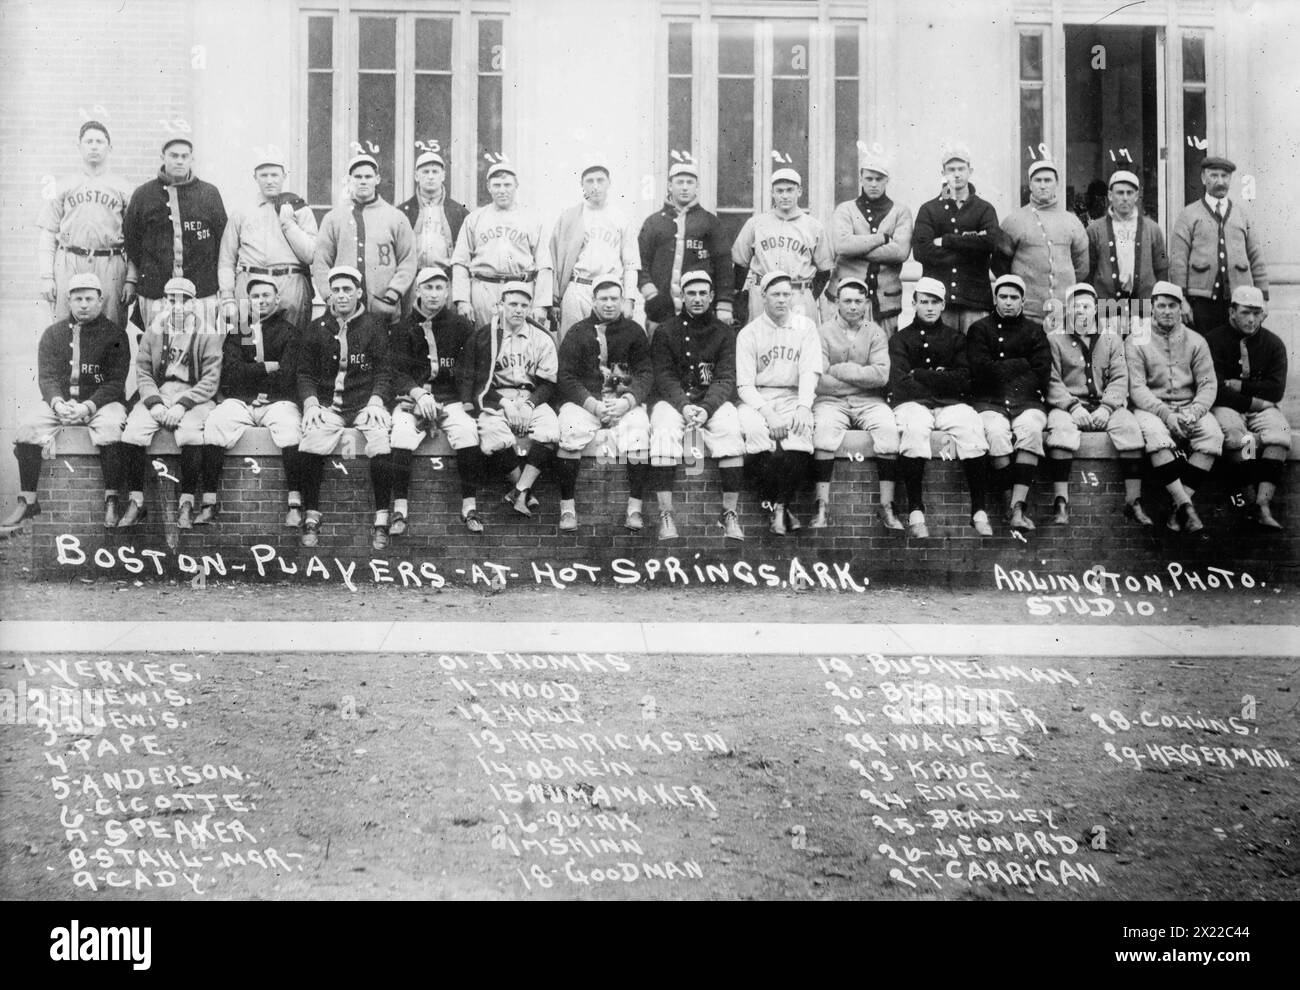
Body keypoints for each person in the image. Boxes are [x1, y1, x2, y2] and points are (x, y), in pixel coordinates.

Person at [0, 274, 129, 532]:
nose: (83, 304)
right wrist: (57, 403)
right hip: (62, 404)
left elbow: (116, 382)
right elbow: (46, 377)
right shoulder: (52, 334)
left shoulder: (115, 334)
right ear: (68, 301)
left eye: (89, 298)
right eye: (77, 298)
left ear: (101, 300)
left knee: (113, 427)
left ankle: (112, 498)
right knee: (28, 426)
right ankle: (29, 499)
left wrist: (87, 407)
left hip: (101, 404)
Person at [296, 265, 394, 549]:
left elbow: (384, 372)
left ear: (359, 292)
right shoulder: (316, 329)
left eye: (347, 290)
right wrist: (311, 403)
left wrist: (377, 400)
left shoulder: (374, 327)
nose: (341, 296)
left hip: (364, 405)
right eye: (336, 290)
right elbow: (304, 373)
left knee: (380, 440)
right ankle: (312, 516)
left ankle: (381, 519)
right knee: (311, 437)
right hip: (330, 406)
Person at [887, 277, 993, 538]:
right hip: (913, 404)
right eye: (924, 302)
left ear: (943, 305)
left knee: (971, 425)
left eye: (935, 302)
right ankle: (915, 510)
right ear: (914, 303)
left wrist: (920, 374)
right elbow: (900, 385)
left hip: (950, 404)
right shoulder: (900, 339)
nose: (930, 307)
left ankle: (979, 510)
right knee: (913, 429)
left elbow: (964, 382)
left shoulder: (956, 339)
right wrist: (942, 377)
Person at [116, 277, 222, 529]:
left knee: (191, 434)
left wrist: (182, 405)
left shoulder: (207, 331)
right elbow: (142, 371)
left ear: (193, 303)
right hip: (161, 392)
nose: (177, 306)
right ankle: (136, 500)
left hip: (195, 396)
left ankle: (186, 501)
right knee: (132, 432)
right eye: (171, 300)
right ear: (164, 301)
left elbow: (210, 379)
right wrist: (154, 404)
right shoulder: (154, 329)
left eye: (184, 300)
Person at [198, 275, 303, 527]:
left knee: (291, 428)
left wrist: (258, 380)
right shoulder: (239, 332)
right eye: (255, 296)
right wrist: (265, 369)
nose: (261, 301)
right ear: (249, 301)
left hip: (277, 401)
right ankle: (209, 502)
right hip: (243, 400)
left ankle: (295, 504)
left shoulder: (289, 332)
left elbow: (288, 373)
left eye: (266, 295)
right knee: (215, 422)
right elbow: (230, 372)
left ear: (277, 299)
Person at [647, 270, 744, 541]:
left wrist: (707, 407)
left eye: (703, 293)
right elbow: (663, 376)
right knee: (664, 428)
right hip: (675, 401)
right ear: (682, 296)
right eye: (692, 293)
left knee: (729, 426)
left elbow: (726, 376)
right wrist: (684, 406)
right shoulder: (666, 331)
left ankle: (730, 514)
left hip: (711, 400)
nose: (698, 299)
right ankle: (666, 515)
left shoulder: (725, 333)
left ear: (712, 296)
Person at [1043, 283, 1148, 526]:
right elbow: (1051, 380)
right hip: (1069, 406)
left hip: (1105, 405)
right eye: (1075, 306)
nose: (1081, 311)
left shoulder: (1111, 338)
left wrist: (1107, 407)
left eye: (1086, 306)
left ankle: (1134, 501)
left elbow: (1120, 377)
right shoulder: (1054, 338)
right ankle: (1061, 500)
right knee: (1060, 432)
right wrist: (1073, 407)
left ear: (1096, 309)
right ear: (1067, 310)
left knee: (1130, 429)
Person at [387, 265, 482, 534]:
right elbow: (397, 371)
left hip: (448, 398)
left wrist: (464, 403)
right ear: (417, 290)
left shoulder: (461, 326)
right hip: (412, 398)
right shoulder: (402, 327)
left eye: (439, 288)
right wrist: (418, 394)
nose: (433, 294)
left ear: (447, 292)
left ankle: (469, 505)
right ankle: (400, 509)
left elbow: (468, 371)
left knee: (467, 431)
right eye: (428, 287)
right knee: (402, 434)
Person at [123, 137, 227, 377]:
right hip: (156, 292)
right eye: (173, 156)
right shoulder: (143, 194)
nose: (179, 161)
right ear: (163, 157)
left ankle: (198, 404)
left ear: (192, 158)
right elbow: (132, 241)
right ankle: (155, 401)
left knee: (201, 350)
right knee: (158, 352)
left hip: (201, 292)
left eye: (184, 156)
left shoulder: (209, 193)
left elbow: (223, 241)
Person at [555, 280, 653, 531]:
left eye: (614, 299)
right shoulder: (577, 332)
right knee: (569, 428)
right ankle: (567, 508)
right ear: (594, 300)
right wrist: (593, 405)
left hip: (622, 402)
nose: (609, 304)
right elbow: (566, 377)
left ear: (622, 301)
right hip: (586, 402)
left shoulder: (634, 331)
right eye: (604, 299)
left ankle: (634, 508)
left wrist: (627, 401)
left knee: (640, 430)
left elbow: (645, 374)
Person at [456, 281, 559, 517]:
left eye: (524, 305)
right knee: (492, 433)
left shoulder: (541, 337)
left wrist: (529, 404)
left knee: (551, 429)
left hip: (532, 397)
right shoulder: (484, 337)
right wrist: (505, 404)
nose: (518, 310)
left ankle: (520, 490)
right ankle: (523, 491)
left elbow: (548, 383)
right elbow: (476, 383)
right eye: (512, 304)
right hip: (497, 397)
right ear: (500, 305)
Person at [1127, 281, 1222, 533]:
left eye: (1172, 306)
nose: (1167, 311)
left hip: (1190, 407)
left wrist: (1195, 411)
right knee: (1155, 435)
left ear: (1181, 308)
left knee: (1213, 435)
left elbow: (1208, 384)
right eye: (1161, 306)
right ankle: (1186, 507)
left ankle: (1178, 505)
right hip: (1152, 408)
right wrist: (1167, 415)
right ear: (1152, 308)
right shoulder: (1137, 339)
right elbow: (1136, 388)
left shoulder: (1196, 341)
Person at [736, 270, 822, 534]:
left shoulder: (805, 326)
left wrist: (804, 406)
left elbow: (810, 371)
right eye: (775, 294)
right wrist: (768, 414)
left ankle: (780, 507)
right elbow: (745, 385)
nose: (782, 300)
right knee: (755, 434)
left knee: (800, 432)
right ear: (763, 297)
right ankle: (780, 506)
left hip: (794, 395)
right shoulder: (749, 332)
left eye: (787, 294)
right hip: (758, 398)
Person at [810, 277, 899, 530]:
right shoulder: (823, 332)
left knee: (888, 431)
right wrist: (861, 376)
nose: (852, 306)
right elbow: (819, 380)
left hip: (869, 401)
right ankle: (821, 505)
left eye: (858, 301)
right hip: (831, 401)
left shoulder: (876, 332)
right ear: (836, 302)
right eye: (847, 301)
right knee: (824, 432)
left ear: (867, 303)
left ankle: (887, 506)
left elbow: (881, 376)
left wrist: (841, 370)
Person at [967, 274, 1052, 531]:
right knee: (995, 433)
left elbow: (1041, 373)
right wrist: (1021, 364)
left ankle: (1017, 507)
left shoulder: (1035, 331)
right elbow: (979, 371)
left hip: (1026, 400)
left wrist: (1002, 370)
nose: (1008, 302)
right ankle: (1007, 502)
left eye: (1014, 298)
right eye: (1003, 297)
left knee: (1032, 431)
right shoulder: (979, 329)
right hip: (989, 401)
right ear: (994, 299)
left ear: (1023, 302)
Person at [1204, 285, 1290, 529]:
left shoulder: (1274, 344)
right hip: (1227, 406)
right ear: (1231, 311)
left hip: (1261, 407)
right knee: (1238, 437)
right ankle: (1250, 500)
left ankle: (1263, 504)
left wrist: (1240, 386)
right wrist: (1254, 399)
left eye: (1257, 313)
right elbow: (1217, 390)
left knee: (1279, 434)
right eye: (1245, 312)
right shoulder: (1214, 340)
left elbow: (1276, 390)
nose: (1252, 319)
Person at [37, 121, 133, 328]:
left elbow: (135, 239)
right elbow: (48, 233)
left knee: (111, 328)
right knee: (64, 327)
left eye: (100, 141)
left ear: (110, 147)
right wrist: (46, 276)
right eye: (89, 141)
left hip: (110, 263)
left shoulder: (123, 187)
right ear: (79, 147)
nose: (94, 146)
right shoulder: (63, 185)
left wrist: (131, 279)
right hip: (70, 261)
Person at [217, 155, 317, 337]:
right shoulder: (242, 211)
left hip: (291, 285)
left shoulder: (300, 209)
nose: (270, 180)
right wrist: (227, 296)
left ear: (284, 176)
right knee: (248, 345)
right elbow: (226, 259)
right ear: (255, 177)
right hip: (250, 285)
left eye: (274, 175)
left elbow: (310, 255)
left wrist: (288, 223)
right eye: (264, 175)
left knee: (292, 346)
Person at [312, 153, 417, 326]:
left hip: (384, 309)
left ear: (377, 179)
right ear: (349, 180)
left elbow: (408, 260)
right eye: (357, 177)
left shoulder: (396, 217)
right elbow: (321, 263)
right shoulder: (333, 218)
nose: (363, 181)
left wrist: (393, 294)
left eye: (368, 176)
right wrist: (331, 297)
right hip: (344, 312)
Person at [1170, 155, 1268, 334]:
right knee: (1204, 351)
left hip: (1240, 300)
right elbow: (1178, 262)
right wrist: (1180, 299)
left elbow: (1256, 258)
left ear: (1230, 179)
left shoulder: (1242, 214)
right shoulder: (1188, 215)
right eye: (1214, 176)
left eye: (1225, 176)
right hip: (1201, 302)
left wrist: (1263, 298)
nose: (1220, 181)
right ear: (1203, 178)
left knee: (1235, 352)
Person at [450, 162, 552, 330]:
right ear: (488, 187)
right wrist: (462, 300)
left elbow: (544, 265)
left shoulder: (532, 219)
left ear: (516, 186)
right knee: (484, 342)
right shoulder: (475, 218)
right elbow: (460, 261)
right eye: (497, 185)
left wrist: (541, 304)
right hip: (484, 289)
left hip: (521, 288)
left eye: (507, 185)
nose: (502, 190)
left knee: (520, 344)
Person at [911, 143, 999, 333]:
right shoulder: (929, 210)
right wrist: (972, 250)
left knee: (975, 356)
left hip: (975, 302)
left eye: (961, 169)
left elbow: (991, 242)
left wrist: (947, 241)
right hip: (939, 302)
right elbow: (921, 251)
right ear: (943, 172)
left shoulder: (984, 209)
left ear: (970, 171)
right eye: (951, 169)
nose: (957, 174)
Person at [638, 161, 734, 330]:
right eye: (679, 182)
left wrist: (724, 303)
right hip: (660, 310)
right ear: (669, 186)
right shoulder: (654, 222)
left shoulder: (710, 222)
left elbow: (724, 266)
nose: (684, 187)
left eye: (690, 183)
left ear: (697, 187)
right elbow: (640, 262)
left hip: (700, 310)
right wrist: (652, 294)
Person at [550, 161, 639, 340]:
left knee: (609, 346)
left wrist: (628, 300)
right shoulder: (569, 216)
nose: (595, 186)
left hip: (608, 291)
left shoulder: (620, 217)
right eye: (590, 181)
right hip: (577, 288)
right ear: (582, 184)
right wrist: (554, 300)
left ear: (609, 183)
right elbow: (554, 259)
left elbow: (630, 263)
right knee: (572, 344)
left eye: (600, 180)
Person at [996, 159, 1088, 332]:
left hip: (1063, 314)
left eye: (1048, 180)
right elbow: (1000, 265)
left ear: (1057, 184)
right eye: (1038, 181)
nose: (1043, 185)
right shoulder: (1013, 221)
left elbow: (1082, 267)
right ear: (1030, 184)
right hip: (1028, 314)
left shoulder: (1072, 222)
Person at [733, 168, 833, 325]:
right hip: (763, 294)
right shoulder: (756, 224)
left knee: (800, 344)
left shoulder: (814, 226)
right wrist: (738, 298)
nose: (784, 195)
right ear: (772, 192)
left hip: (798, 293)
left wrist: (807, 295)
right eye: (779, 191)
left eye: (790, 190)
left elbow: (824, 271)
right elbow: (740, 264)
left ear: (799, 191)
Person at [828, 154, 912, 336]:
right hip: (847, 299)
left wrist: (856, 247)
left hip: (886, 302)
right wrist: (881, 238)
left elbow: (900, 252)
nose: (874, 184)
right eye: (869, 178)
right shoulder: (845, 209)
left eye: (879, 179)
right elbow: (842, 246)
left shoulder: (901, 211)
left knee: (884, 354)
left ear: (887, 180)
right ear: (860, 179)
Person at [1085, 170, 1168, 335]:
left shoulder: (1152, 229)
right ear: (1110, 195)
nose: (1125, 197)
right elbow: (1089, 271)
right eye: (1120, 192)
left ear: (1137, 196)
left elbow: (1161, 268)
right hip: (1107, 307)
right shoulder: (1094, 230)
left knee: (1141, 353)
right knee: (1109, 354)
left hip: (1143, 307)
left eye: (1129, 193)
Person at [396, 150, 469, 288]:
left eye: (435, 172)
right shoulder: (402, 212)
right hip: (412, 282)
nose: (430, 177)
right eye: (425, 172)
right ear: (416, 176)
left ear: (443, 176)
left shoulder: (459, 212)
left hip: (446, 281)